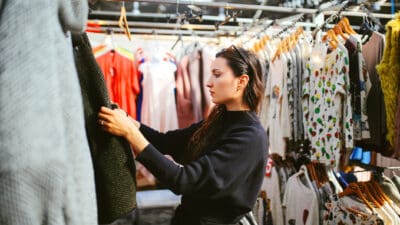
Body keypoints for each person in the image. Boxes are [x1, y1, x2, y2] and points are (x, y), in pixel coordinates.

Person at [98, 45, 268, 225]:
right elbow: (165, 142)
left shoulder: (249, 136)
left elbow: (183, 180)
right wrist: (130, 121)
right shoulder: (219, 121)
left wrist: (130, 132)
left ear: (241, 81)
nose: (209, 82)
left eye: (217, 75)